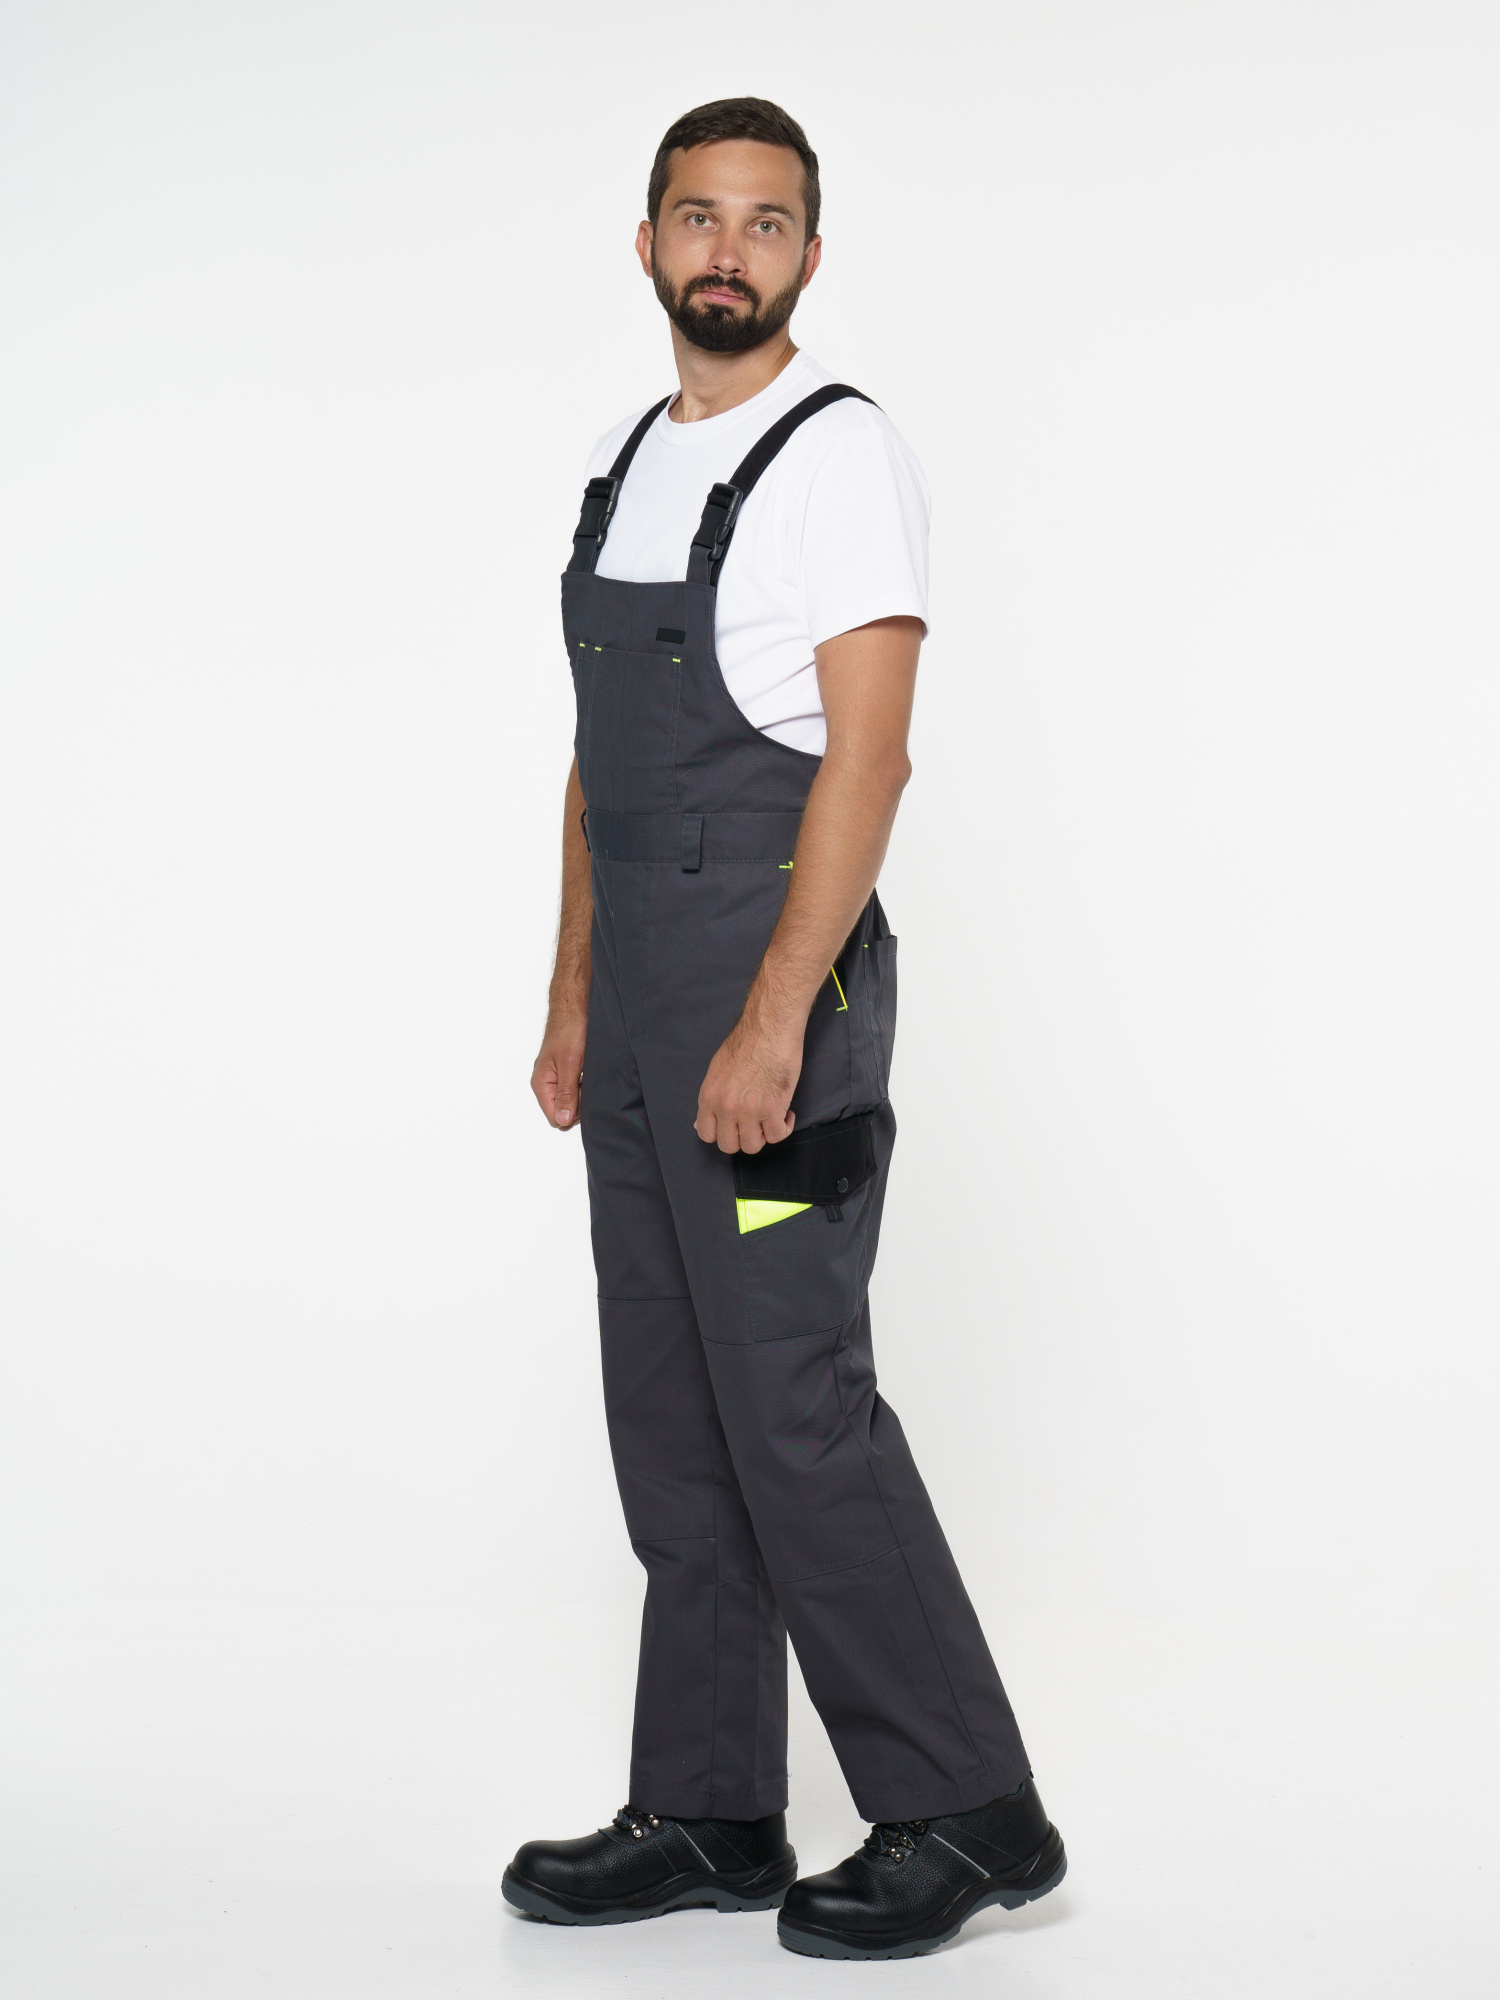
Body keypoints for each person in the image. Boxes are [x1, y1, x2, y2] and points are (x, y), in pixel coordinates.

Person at [502, 97, 1066, 1962]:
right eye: (698, 216)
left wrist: (768, 1028)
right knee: (672, 1412)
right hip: (639, 1009)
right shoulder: (624, 464)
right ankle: (712, 1805)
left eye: (765, 222)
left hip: (775, 998)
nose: (727, 250)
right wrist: (575, 996)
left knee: (796, 1407)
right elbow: (596, 767)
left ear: (810, 254)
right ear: (647, 243)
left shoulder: (842, 457)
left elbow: (868, 763)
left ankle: (968, 1806)